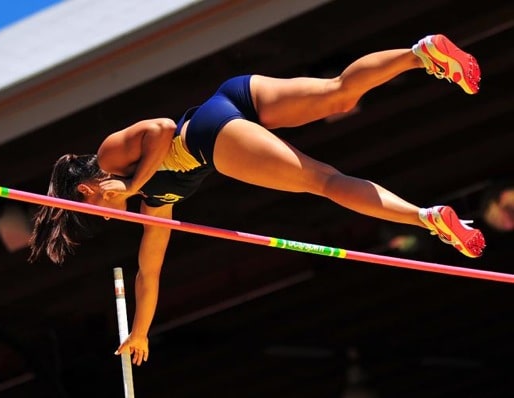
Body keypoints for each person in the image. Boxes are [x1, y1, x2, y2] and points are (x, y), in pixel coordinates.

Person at [28, 34, 485, 366]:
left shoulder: (109, 158)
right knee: (339, 95)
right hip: (234, 97)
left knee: (322, 181)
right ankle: (419, 55)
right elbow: (149, 270)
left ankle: (426, 218)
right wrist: (140, 332)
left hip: (207, 134)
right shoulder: (156, 204)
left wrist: (127, 186)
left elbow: (163, 128)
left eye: (93, 211)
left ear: (86, 190)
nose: (106, 216)